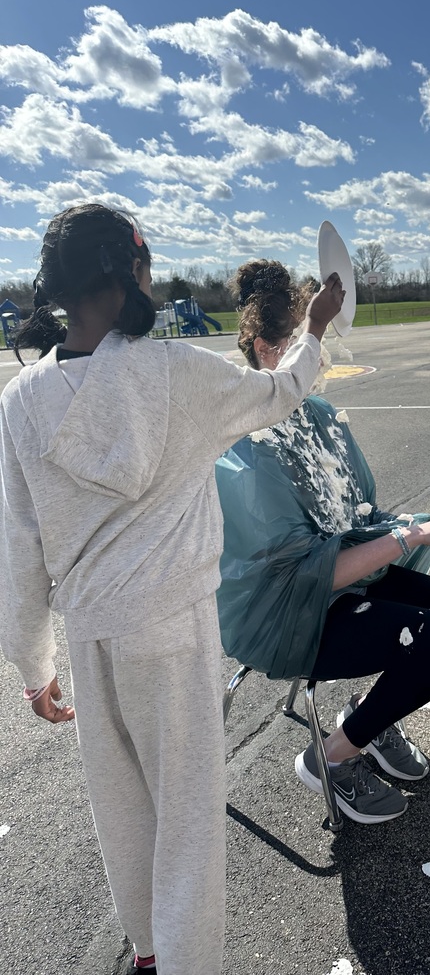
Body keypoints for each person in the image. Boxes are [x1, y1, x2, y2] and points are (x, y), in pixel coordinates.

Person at [0, 205, 343, 975]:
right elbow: (280, 391)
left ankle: (150, 953)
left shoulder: (20, 403)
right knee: (188, 825)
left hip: (89, 636)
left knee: (123, 815)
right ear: (128, 275)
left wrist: (32, 665)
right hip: (172, 626)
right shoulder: (177, 374)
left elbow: (19, 548)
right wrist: (316, 328)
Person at [216, 260, 430, 824]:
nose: (322, 357)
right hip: (288, 614)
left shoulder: (317, 415)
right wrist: (410, 536)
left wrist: (424, 523)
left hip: (344, 582)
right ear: (273, 351)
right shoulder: (246, 446)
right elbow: (300, 574)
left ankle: (362, 720)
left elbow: (358, 514)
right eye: (310, 342)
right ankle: (328, 758)